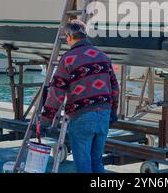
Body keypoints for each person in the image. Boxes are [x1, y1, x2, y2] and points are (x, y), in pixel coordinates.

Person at [41, 19, 119, 173]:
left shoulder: (68, 58)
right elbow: (114, 87)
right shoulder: (103, 56)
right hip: (104, 114)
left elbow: (56, 92)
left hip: (82, 115)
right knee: (96, 160)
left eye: (66, 37)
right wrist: (113, 112)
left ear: (69, 36)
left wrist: (46, 120)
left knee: (83, 164)